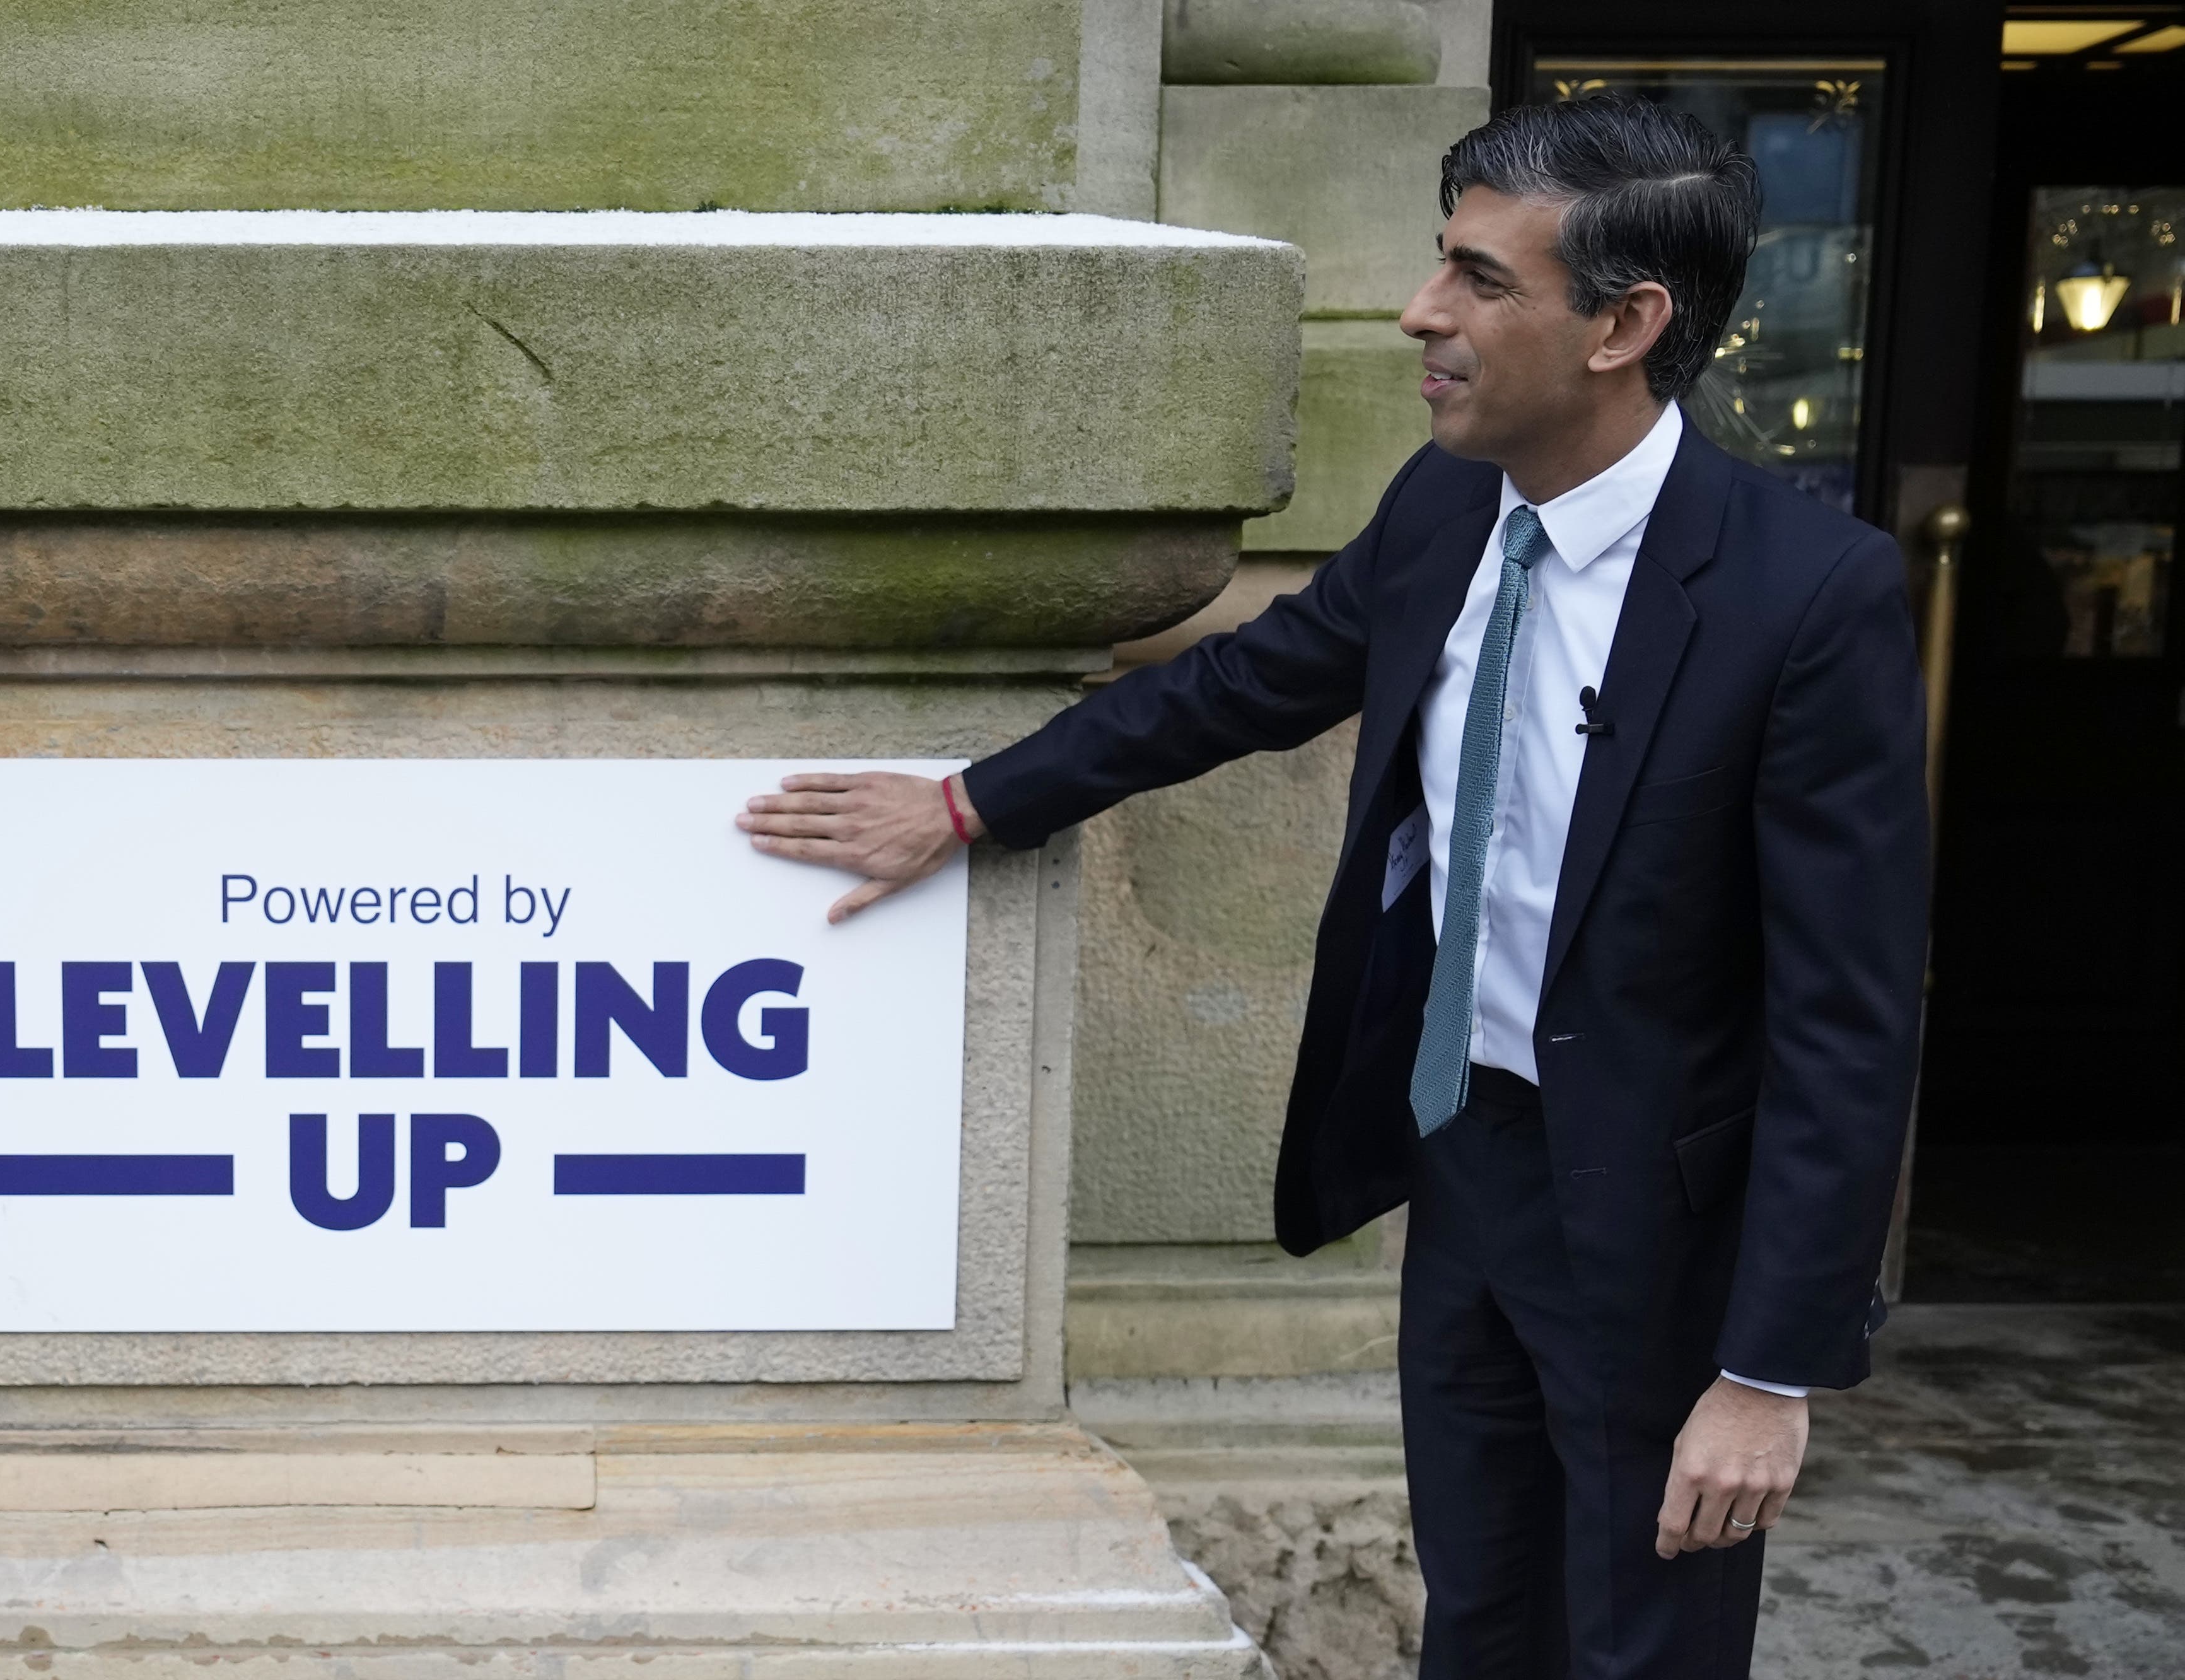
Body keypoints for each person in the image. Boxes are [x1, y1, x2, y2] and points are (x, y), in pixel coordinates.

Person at [736, 95, 1925, 1678]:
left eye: (1483, 282)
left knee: (1645, 1647)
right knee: (1484, 1616)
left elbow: (1851, 1020)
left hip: (1665, 1228)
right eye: (1441, 264)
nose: (1423, 314)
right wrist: (966, 803)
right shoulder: (1444, 510)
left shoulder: (1806, 597)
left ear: (1623, 326)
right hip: (1468, 1161)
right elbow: (1234, 689)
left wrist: (1770, 1374)